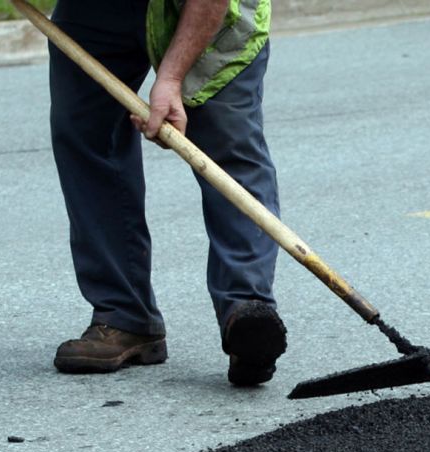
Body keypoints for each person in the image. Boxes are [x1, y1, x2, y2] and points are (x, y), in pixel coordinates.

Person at [47, 0, 286, 386]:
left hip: (208, 10)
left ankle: (247, 314)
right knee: (88, 134)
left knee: (227, 148)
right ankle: (123, 316)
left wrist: (171, 79)